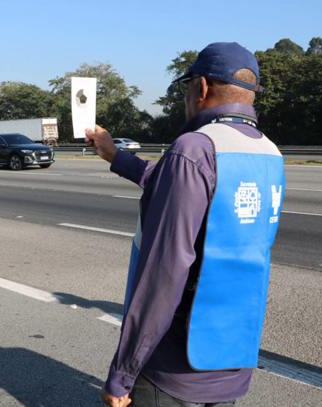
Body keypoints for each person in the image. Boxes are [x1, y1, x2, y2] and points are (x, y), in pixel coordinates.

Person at [86, 42, 285, 407]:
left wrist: (122, 374)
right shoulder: (269, 152)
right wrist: (114, 154)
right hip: (231, 352)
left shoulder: (194, 148)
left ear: (202, 87)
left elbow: (163, 275)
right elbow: (168, 179)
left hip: (173, 367)